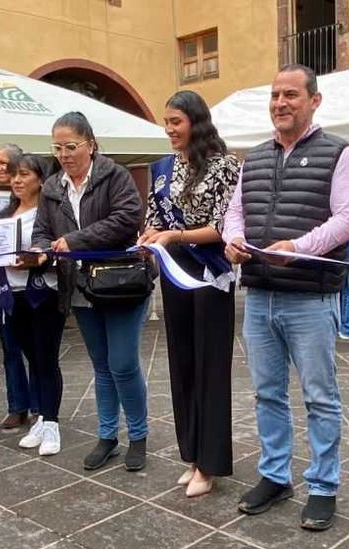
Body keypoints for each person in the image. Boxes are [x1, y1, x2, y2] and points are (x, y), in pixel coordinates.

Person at [222, 64, 349, 531]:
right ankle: (275, 475)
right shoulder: (255, 157)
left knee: (320, 397)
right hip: (260, 295)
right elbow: (235, 212)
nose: (280, 103)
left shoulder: (338, 152)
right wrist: (233, 240)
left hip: (310, 298)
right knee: (267, 394)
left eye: (291, 95)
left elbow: (348, 217)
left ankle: (323, 485)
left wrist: (299, 248)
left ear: (314, 101)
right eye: (275, 95)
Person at [31, 112, 150, 471]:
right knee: (101, 365)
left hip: (120, 283)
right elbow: (42, 230)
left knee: (123, 363)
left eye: (71, 146)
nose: (64, 155)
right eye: (57, 148)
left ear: (91, 145)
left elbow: (127, 219)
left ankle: (139, 436)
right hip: (80, 286)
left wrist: (75, 240)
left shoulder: (115, 176)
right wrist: (40, 250)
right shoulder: (52, 187)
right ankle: (107, 435)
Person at [139, 90, 240, 497]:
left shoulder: (224, 166)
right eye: (166, 122)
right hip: (174, 271)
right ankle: (192, 456)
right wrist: (149, 236)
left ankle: (211, 463)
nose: (169, 129)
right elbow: (153, 217)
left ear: (195, 122)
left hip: (209, 273)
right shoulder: (162, 168)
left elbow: (223, 226)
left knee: (209, 366)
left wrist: (175, 234)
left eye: (176, 122)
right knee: (182, 363)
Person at [0, 154, 63, 455]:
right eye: (14, 175)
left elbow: (58, 252)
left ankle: (52, 423)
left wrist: (35, 259)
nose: (16, 180)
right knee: (32, 357)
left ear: (41, 180)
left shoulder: (50, 214)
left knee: (46, 359)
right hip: (11, 296)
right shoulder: (3, 216)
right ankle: (42, 419)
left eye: (24, 174)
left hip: (43, 294)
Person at [0, 144, 37, 430]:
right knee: (10, 348)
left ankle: (40, 405)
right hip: (1, 286)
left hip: (32, 287)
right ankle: (17, 405)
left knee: (37, 350)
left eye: (5, 163)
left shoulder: (41, 206)